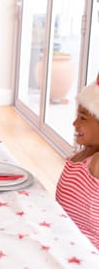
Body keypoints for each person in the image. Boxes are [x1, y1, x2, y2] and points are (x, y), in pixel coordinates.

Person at [55, 74, 99, 249]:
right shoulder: (81, 155)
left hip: (85, 254)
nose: (75, 123)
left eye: (83, 118)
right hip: (63, 239)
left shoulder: (96, 164)